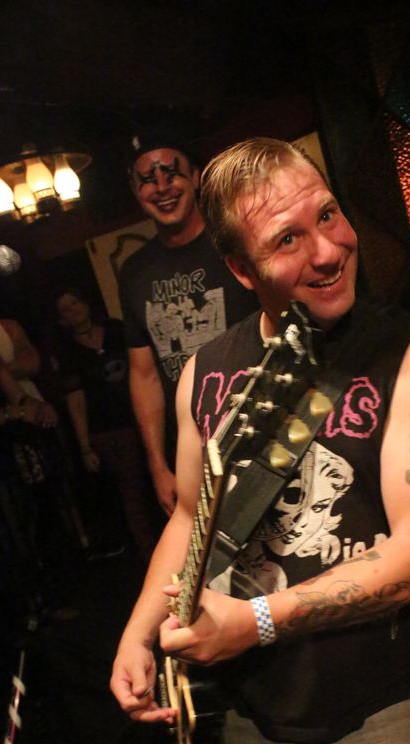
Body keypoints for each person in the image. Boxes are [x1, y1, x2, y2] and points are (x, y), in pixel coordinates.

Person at [111, 137, 410, 744]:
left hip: (374, 701)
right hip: (253, 708)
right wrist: (138, 632)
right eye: (287, 239)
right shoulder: (205, 372)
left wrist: (254, 622)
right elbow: (188, 517)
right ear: (242, 270)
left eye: (328, 216)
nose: (328, 251)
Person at [118, 132, 258, 516]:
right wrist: (158, 466)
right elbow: (144, 373)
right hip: (191, 454)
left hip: (259, 433)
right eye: (148, 179)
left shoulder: (235, 241)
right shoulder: (134, 272)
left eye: (172, 173)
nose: (162, 187)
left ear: (196, 177)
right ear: (135, 190)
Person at [54, 287, 158, 562]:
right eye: (65, 309)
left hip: (143, 418)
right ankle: (152, 557)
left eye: (75, 302)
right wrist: (85, 447)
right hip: (109, 431)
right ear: (61, 319)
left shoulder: (115, 330)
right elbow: (76, 400)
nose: (73, 310)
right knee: (132, 494)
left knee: (159, 478)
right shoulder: (68, 351)